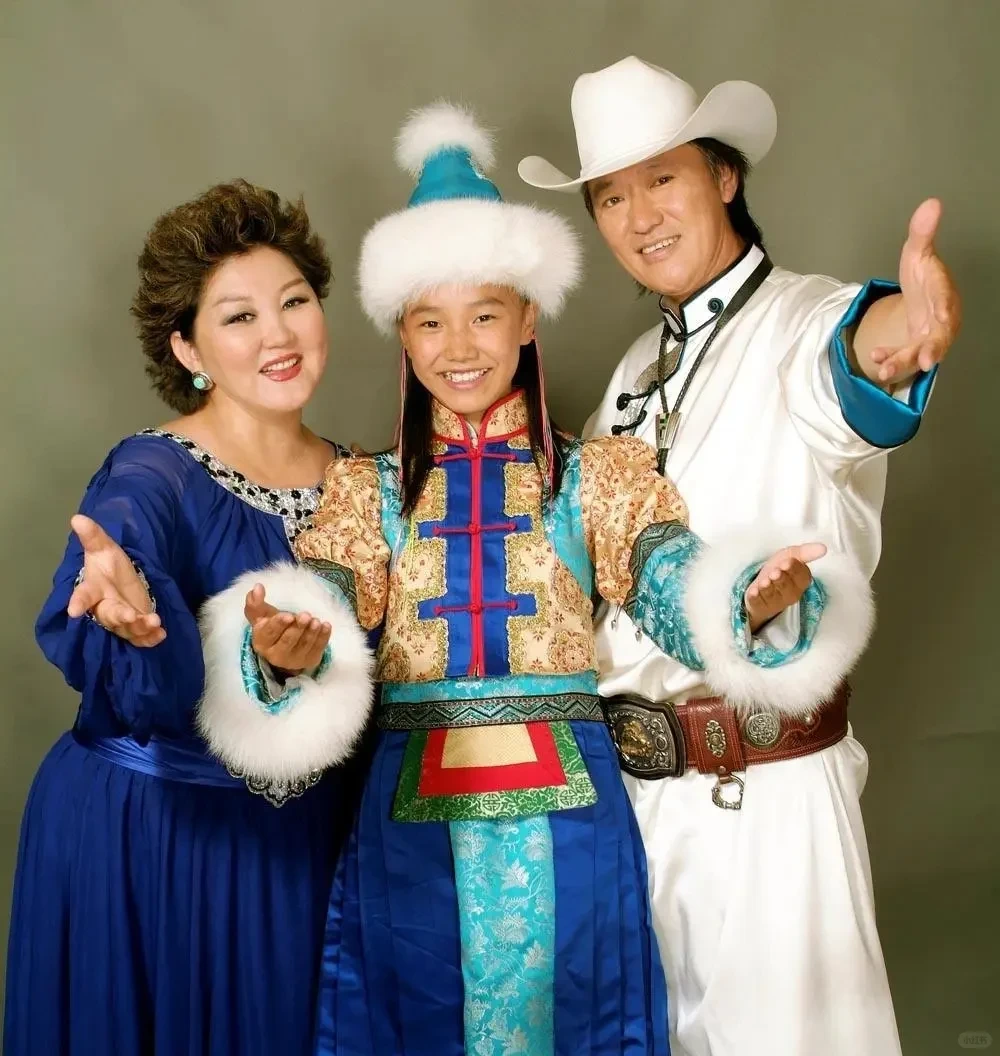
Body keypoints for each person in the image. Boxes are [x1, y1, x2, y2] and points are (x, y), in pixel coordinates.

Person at [197, 104, 874, 1056]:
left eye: (484, 315)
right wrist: (286, 646)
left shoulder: (596, 477)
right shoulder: (369, 492)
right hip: (412, 837)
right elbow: (327, 595)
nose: (459, 347)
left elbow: (666, 574)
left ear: (527, 317)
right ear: (403, 336)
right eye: (430, 322)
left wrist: (743, 603)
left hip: (576, 827)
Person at [518, 56, 963, 1056]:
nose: (640, 216)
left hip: (766, 797)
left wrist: (903, 332)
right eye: (610, 196)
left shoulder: (804, 320)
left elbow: (857, 362)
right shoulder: (633, 374)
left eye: (662, 179)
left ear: (723, 175)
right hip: (638, 805)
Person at [4, 180, 372, 1056]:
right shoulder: (150, 470)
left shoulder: (369, 481)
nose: (278, 334)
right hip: (153, 835)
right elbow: (123, 543)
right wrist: (130, 609)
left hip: (301, 848)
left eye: (294, 302)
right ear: (187, 346)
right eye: (239, 317)